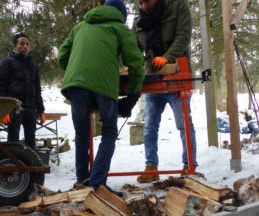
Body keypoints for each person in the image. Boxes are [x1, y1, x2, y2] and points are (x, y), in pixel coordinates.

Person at [58, 0, 145, 193]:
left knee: (81, 135)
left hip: (76, 86)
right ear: (121, 15)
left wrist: (79, 71)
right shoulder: (119, 28)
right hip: (104, 86)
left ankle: (82, 182)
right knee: (109, 132)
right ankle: (97, 183)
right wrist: (132, 94)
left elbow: (62, 56)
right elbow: (136, 63)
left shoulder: (80, 26)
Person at [133, 0, 198, 183]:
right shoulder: (138, 22)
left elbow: (183, 36)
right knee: (150, 126)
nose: (144, 5)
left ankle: (189, 166)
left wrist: (167, 57)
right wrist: (134, 67)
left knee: (184, 124)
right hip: (153, 79)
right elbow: (135, 49)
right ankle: (151, 167)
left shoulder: (178, 7)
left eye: (147, 1)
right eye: (140, 2)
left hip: (178, 76)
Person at [0, 33, 45, 150]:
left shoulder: (32, 66)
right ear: (14, 46)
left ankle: (31, 166)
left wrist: (41, 110)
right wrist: (3, 109)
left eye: (27, 44)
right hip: (14, 108)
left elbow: (37, 89)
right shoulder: (7, 62)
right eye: (22, 43)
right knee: (13, 139)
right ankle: (13, 165)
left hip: (31, 108)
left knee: (31, 139)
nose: (25, 46)